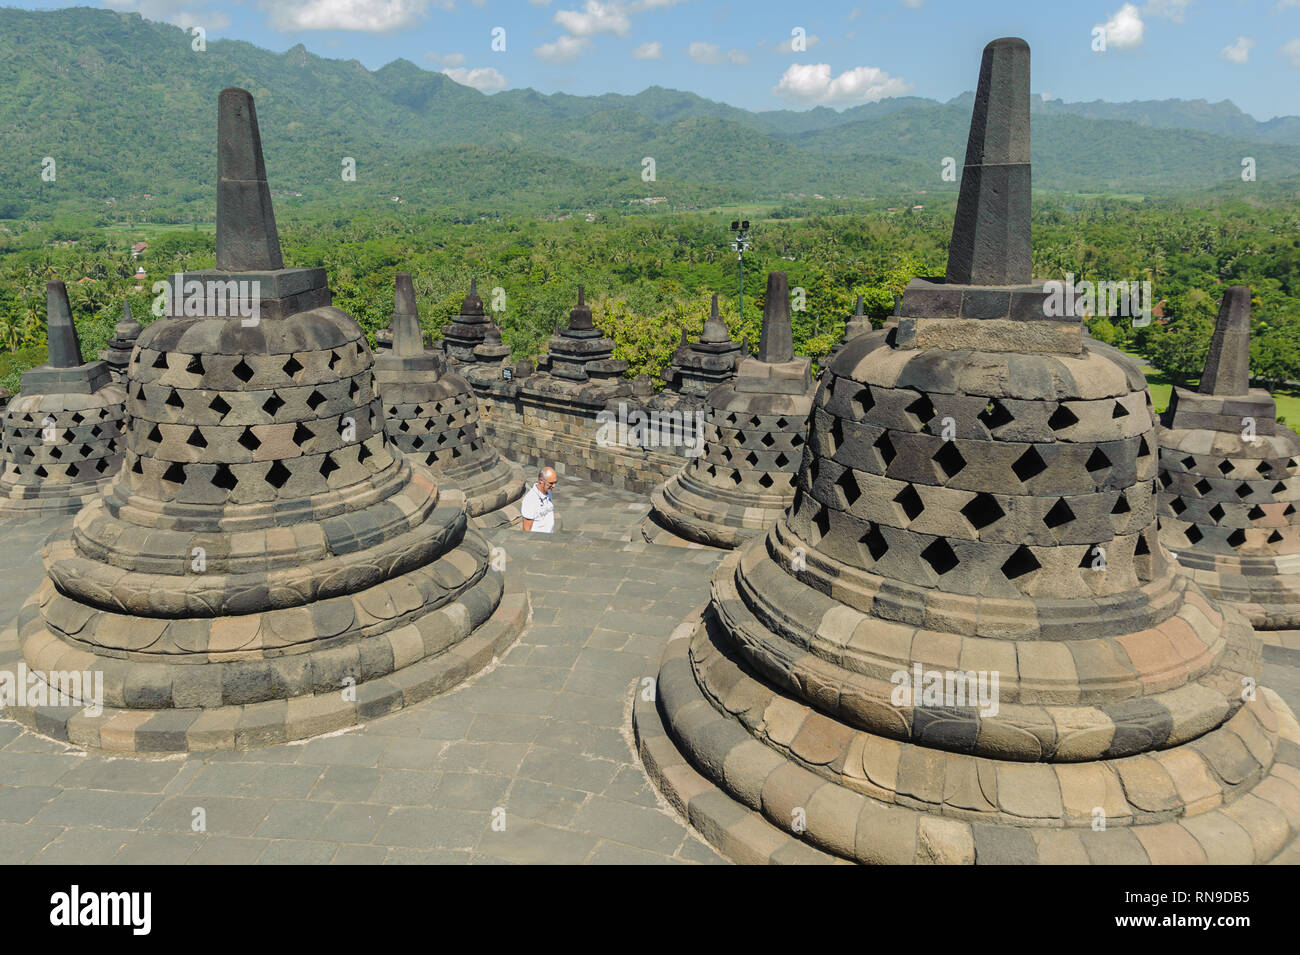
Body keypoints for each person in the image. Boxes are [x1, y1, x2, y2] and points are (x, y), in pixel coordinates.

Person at [520, 467, 557, 533]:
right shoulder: (530, 500)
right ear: (541, 480)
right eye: (551, 483)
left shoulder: (548, 492)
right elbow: (526, 530)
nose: (554, 486)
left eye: (555, 482)